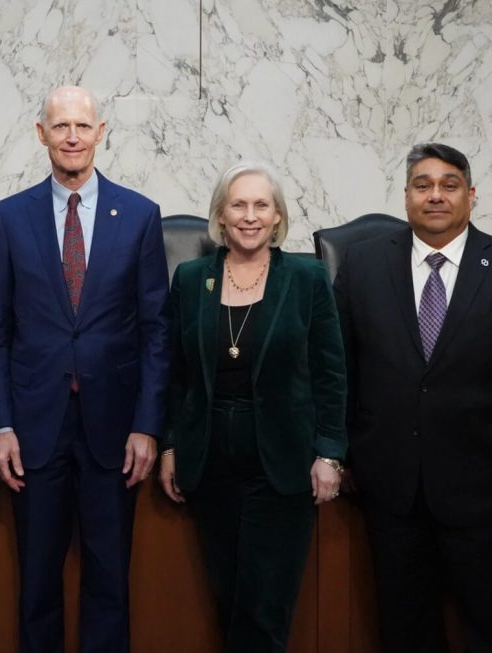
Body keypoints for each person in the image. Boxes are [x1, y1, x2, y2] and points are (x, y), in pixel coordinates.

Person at [334, 142, 492, 653]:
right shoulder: (363, 266)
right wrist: (344, 453)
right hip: (392, 489)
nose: (435, 196)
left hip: (489, 491)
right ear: (405, 197)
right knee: (405, 630)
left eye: (449, 185)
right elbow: (342, 370)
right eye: (423, 185)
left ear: (471, 195)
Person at [0, 85, 170, 653]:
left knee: (109, 581)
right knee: (37, 584)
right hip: (34, 430)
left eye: (82, 127)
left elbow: (156, 330)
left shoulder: (139, 215)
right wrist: (1, 426)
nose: (71, 137)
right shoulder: (10, 218)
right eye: (60, 126)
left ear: (101, 132)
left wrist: (147, 424)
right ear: (41, 134)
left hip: (115, 429)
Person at [158, 162, 347, 652]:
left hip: (281, 463)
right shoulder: (192, 277)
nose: (249, 216)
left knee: (264, 607)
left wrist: (329, 453)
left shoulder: (306, 278)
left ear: (278, 216)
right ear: (220, 216)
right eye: (238, 205)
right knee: (229, 598)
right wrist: (172, 446)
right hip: (210, 460)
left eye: (261, 205)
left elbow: (331, 372)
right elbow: (177, 374)